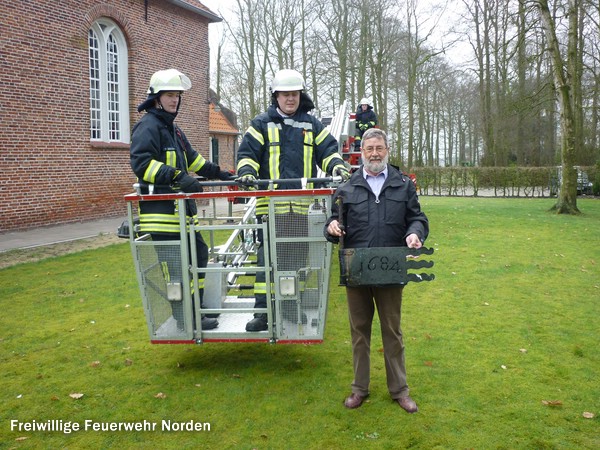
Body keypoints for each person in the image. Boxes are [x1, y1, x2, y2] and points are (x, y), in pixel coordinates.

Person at [236, 68, 351, 332]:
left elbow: (329, 150)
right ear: (275, 96)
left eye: (295, 94)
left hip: (299, 208)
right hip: (271, 208)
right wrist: (246, 172)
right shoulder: (261, 123)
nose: (290, 99)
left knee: (297, 262)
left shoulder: (311, 124)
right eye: (285, 94)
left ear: (301, 95)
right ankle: (262, 313)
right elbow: (247, 154)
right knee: (267, 260)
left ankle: (290, 305)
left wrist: (337, 167)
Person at [324, 128, 429, 413]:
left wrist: (414, 233)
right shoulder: (346, 187)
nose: (374, 153)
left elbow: (417, 218)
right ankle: (360, 388)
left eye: (379, 148)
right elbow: (333, 222)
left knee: (392, 331)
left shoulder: (403, 184)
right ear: (361, 152)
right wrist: (332, 227)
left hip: (391, 267)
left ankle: (400, 390)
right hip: (356, 270)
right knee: (359, 331)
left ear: (387, 149)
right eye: (369, 148)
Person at [130, 69, 234, 331]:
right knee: (177, 269)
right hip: (161, 216)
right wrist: (177, 177)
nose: (174, 100)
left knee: (198, 255)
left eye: (177, 95)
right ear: (156, 98)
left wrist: (223, 174)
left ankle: (196, 308)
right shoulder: (148, 127)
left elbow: (195, 161)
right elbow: (142, 165)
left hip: (180, 215)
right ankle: (185, 316)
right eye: (169, 95)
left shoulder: (173, 131)